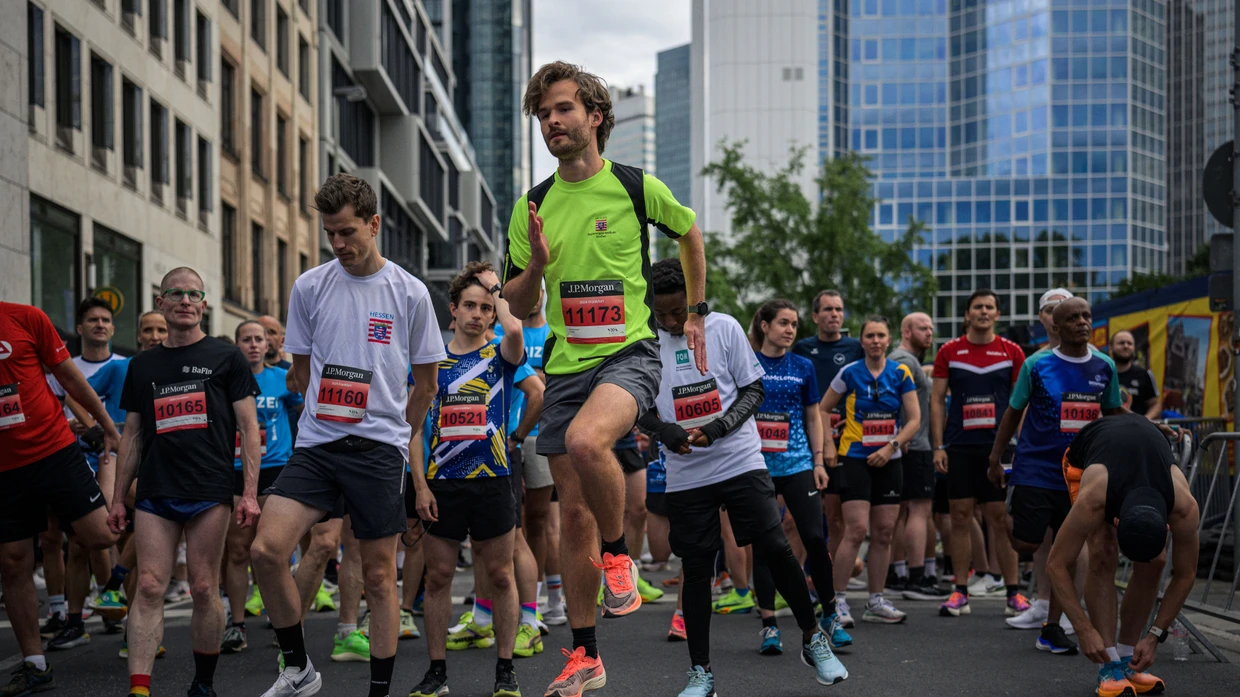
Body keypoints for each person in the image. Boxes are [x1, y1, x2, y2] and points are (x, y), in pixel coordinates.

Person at [501, 61, 707, 697]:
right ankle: (586, 654)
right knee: (573, 516)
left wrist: (696, 310)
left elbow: (690, 233)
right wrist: (535, 264)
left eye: (563, 109)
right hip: (564, 365)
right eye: (543, 114)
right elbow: (515, 296)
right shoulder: (532, 204)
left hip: (630, 354)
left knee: (591, 445)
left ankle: (622, 554)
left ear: (594, 116)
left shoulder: (634, 186)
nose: (552, 122)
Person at [251, 174, 444, 697]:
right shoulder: (310, 286)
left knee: (380, 576)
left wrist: (393, 432)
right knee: (267, 551)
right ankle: (298, 668)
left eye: (348, 231)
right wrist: (326, 413)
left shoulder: (410, 291)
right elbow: (300, 374)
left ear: (375, 224)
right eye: (330, 233)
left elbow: (426, 385)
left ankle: (378, 691)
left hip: (379, 448)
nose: (338, 244)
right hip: (316, 445)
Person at [637, 259, 847, 696]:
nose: (672, 321)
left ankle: (812, 638)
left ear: (695, 301)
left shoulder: (724, 328)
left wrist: (717, 428)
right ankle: (701, 674)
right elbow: (638, 408)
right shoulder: (644, 340)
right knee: (695, 568)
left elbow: (753, 390)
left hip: (738, 458)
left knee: (773, 545)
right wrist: (665, 430)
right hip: (685, 470)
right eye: (663, 315)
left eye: (680, 312)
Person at [108, 267, 263, 697]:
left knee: (200, 586)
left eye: (193, 294)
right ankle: (139, 688)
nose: (184, 301)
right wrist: (119, 499)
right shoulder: (142, 365)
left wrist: (249, 493)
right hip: (156, 489)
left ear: (204, 305)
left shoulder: (226, 357)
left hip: (209, 490)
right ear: (161, 302)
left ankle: (203, 683)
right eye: (174, 293)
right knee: (151, 584)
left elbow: (249, 428)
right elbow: (133, 435)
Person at [409, 262, 527, 697]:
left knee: (500, 574)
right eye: (470, 306)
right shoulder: (431, 364)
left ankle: (505, 669)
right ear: (453, 310)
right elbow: (415, 429)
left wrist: (498, 291)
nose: (478, 314)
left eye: (486, 307)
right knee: (437, 576)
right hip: (442, 484)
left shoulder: (501, 355)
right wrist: (419, 485)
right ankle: (437, 672)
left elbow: (515, 332)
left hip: (493, 479)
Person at [989, 296, 1124, 655]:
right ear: (1056, 326)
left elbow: (1114, 412)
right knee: (1026, 543)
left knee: (1067, 551)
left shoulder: (1105, 365)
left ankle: (1052, 627)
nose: (1082, 322)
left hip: (1080, 474)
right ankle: (1010, 519)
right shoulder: (1037, 365)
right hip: (1034, 468)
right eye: (1073, 318)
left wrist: (1149, 428)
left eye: (1086, 316)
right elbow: (1012, 414)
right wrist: (994, 458)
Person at [0, 302, 122, 696]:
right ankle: (35, 664)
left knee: (101, 537)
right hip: (4, 470)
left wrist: (106, 427)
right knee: (14, 561)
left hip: (54, 451)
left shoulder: (26, 317)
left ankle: (111, 475)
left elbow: (67, 376)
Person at [1050, 414, 1199, 697]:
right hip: (1087, 456)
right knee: (1103, 551)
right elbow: (1055, 564)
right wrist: (1083, 629)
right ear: (1116, 520)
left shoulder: (1184, 508)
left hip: (1139, 447)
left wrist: (1155, 635)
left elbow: (1186, 573)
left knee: (1156, 562)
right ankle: (1108, 663)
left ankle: (1130, 659)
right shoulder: (1095, 499)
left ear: (1168, 526)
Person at [748, 299, 852, 653]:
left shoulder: (803, 366)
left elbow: (813, 417)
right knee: (765, 547)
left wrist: (819, 461)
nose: (791, 330)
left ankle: (830, 614)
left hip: (797, 464)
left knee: (813, 537)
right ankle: (768, 625)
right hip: (756, 466)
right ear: (764, 326)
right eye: (783, 323)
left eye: (794, 324)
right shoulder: (746, 363)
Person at [930, 289, 1026, 618]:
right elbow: (936, 401)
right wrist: (938, 446)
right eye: (977, 307)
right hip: (958, 446)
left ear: (997, 314)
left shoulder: (1012, 351)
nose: (983, 312)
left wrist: (1019, 440)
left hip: (998, 449)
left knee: (1000, 519)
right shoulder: (949, 351)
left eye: (989, 307)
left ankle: (1013, 592)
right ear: (967, 314)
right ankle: (960, 591)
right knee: (959, 517)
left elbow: (1021, 400)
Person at [820, 316, 920, 626]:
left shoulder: (900, 372)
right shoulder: (849, 373)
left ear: (888, 340)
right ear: (861, 341)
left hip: (889, 460)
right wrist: (828, 447)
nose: (875, 341)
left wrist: (891, 446)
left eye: (880, 335)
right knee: (856, 529)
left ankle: (876, 600)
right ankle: (837, 602)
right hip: (854, 458)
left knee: (885, 532)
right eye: (870, 336)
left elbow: (914, 420)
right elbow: (823, 408)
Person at [42, 298, 129, 650]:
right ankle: (74, 620)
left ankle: (114, 608)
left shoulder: (126, 366)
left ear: (112, 328)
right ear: (80, 328)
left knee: (117, 536)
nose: (100, 325)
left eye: (106, 319)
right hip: (74, 459)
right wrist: (78, 426)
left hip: (117, 458)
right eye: (92, 319)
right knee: (75, 543)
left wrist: (98, 427)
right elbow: (57, 406)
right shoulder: (63, 369)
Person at [220, 321, 303, 654]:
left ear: (268, 344)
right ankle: (236, 625)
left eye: (259, 339)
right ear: (236, 344)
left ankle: (280, 620)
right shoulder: (224, 381)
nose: (254, 344)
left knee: (273, 552)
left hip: (275, 471)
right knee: (238, 550)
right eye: (246, 339)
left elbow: (304, 414)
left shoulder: (281, 379)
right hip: (236, 471)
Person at [792, 291, 864, 575]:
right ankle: (796, 578)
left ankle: (830, 578)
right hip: (808, 437)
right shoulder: (801, 348)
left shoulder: (855, 347)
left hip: (845, 439)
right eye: (828, 309)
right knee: (800, 515)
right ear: (815, 316)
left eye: (839, 309)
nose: (834, 314)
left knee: (835, 517)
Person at [886, 312, 942, 602]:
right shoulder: (905, 361)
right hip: (914, 445)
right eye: (923, 328)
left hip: (908, 443)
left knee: (902, 511)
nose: (929, 333)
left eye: (931, 328)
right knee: (918, 510)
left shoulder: (906, 361)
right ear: (906, 331)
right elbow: (891, 397)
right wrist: (899, 436)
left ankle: (899, 573)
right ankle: (916, 577)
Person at [1109, 331, 1161, 420]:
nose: (1126, 346)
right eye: (1121, 343)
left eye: (1129, 343)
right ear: (1111, 348)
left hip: (1136, 430)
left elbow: (1155, 404)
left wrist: (1145, 420)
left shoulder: (1145, 374)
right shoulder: (1103, 373)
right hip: (1108, 429)